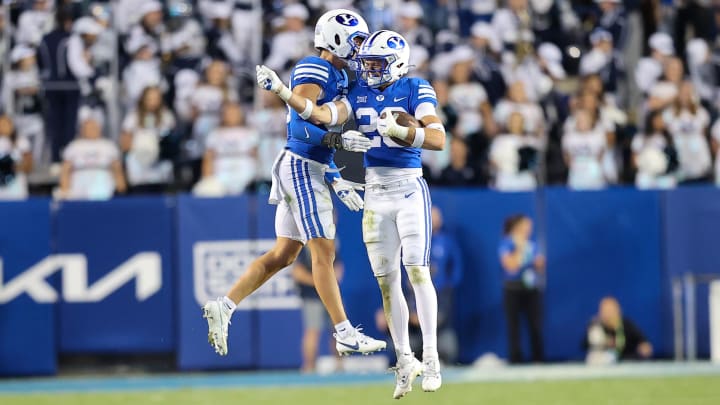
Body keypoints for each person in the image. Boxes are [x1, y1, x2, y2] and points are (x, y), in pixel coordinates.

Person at [260, 29, 447, 398]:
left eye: (377, 63)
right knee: (388, 282)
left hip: (409, 188)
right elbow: (320, 113)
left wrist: (402, 131)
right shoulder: (357, 91)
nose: (369, 69)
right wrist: (284, 93)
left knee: (417, 272)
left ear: (396, 63)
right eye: (366, 63)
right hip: (374, 192)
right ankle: (405, 360)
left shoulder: (415, 88)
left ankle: (432, 356)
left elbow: (439, 139)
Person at [204, 9, 385, 360]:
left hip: (310, 165)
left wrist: (334, 174)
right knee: (324, 251)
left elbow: (317, 133)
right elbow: (300, 127)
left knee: (284, 255)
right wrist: (338, 144)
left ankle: (225, 305)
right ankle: (344, 331)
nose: (360, 47)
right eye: (357, 39)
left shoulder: (340, 75)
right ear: (335, 38)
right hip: (301, 165)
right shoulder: (315, 67)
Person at [499, 214, 545, 363]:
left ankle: (538, 359)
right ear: (517, 227)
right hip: (512, 289)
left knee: (535, 324)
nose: (529, 228)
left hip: (530, 288)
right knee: (513, 326)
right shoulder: (506, 243)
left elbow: (540, 263)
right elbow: (510, 265)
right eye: (526, 225)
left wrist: (530, 256)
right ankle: (515, 359)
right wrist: (520, 250)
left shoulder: (532, 244)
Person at [292, 246, 343, 373]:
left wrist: (328, 282)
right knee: (312, 332)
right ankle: (309, 368)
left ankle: (340, 366)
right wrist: (319, 282)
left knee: (338, 331)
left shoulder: (328, 243)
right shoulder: (303, 247)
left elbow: (338, 269)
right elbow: (297, 273)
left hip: (330, 296)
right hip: (312, 297)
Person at [120, 86, 176, 193]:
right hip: (138, 162)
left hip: (160, 163)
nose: (153, 102)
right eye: (150, 98)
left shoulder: (167, 116)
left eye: (156, 98)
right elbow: (126, 140)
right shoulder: (133, 116)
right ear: (143, 99)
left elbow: (171, 139)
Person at [197, 102, 258, 195]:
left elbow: (256, 157)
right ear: (223, 115)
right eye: (229, 113)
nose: (232, 116)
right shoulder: (214, 134)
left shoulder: (251, 133)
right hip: (220, 176)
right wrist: (208, 179)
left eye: (234, 113)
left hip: (246, 176)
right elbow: (208, 158)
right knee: (203, 191)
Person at [58, 117, 127, 200]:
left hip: (103, 184)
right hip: (79, 186)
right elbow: (66, 169)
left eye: (94, 127)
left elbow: (116, 168)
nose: (92, 130)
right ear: (82, 130)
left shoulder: (109, 146)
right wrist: (65, 189)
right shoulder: (74, 146)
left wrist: (121, 186)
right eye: (89, 128)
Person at [584, 296, 653, 364]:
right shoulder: (595, 326)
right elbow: (585, 344)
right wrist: (604, 343)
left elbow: (644, 343)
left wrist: (644, 347)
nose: (608, 314)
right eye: (605, 310)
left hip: (626, 360)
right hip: (603, 361)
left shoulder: (626, 324)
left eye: (611, 310)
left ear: (618, 310)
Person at [0, 116, 32, 200]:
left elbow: (29, 165)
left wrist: (12, 166)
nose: (4, 127)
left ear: (12, 125)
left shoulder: (21, 142)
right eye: (1, 124)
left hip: (16, 186)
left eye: (6, 124)